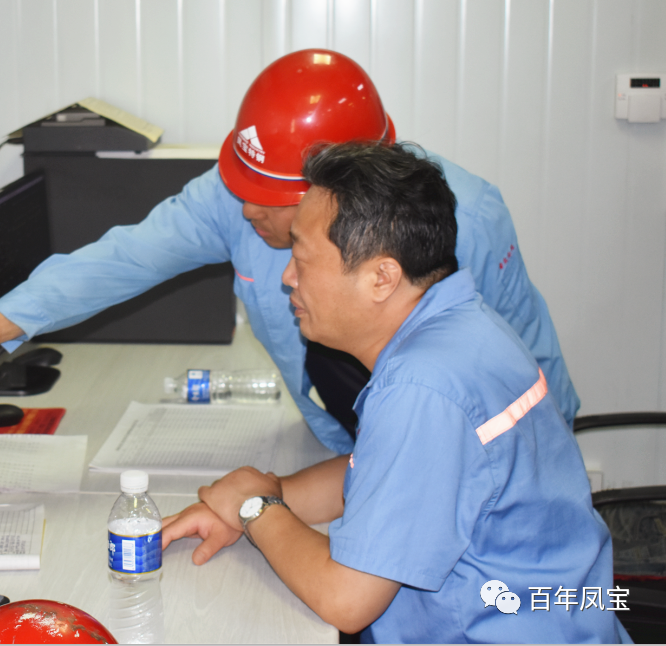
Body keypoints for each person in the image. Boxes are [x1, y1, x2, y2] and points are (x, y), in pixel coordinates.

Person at [0, 49, 579, 456]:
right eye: (241, 188)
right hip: (342, 448)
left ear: (341, 192)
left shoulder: (465, 221)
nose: (246, 210)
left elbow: (517, 373)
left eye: (272, 200)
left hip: (473, 460)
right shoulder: (240, 195)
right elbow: (128, 257)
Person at [161, 141, 627, 643]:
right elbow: (383, 470)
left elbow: (347, 599)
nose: (287, 277)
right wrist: (263, 495)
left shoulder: (422, 388)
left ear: (382, 277)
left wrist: (257, 510)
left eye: (301, 257)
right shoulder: (462, 326)